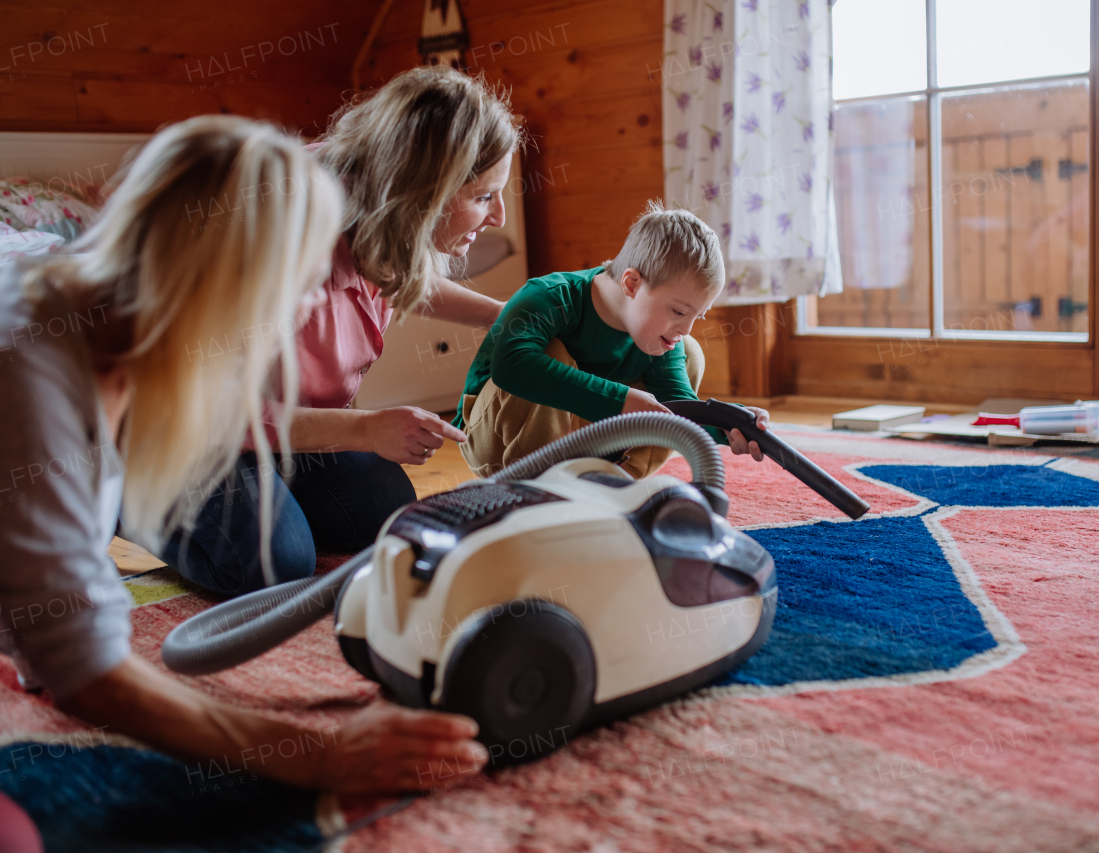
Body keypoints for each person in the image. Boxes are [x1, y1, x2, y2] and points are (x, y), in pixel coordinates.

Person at [0, 116, 487, 794]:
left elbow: (55, 627)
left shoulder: (117, 341)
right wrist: (322, 756)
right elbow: (80, 665)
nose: (317, 299)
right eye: (303, 276)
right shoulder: (35, 368)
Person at [163, 66, 521, 596]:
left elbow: (395, 275)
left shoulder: (374, 195)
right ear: (424, 191)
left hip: (287, 426)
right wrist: (365, 431)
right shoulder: (284, 235)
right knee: (272, 566)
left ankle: (270, 496)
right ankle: (135, 499)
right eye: (484, 196)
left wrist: (506, 315)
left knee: (387, 516)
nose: (498, 216)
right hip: (189, 434)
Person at [455, 201, 770, 480]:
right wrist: (620, 402)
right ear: (632, 283)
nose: (685, 327)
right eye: (677, 311)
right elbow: (511, 366)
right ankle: (538, 487)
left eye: (695, 317)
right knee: (549, 354)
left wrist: (730, 422)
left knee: (689, 351)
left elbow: (676, 401)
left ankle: (616, 480)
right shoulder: (549, 296)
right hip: (496, 447)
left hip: (587, 444)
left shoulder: (655, 333)